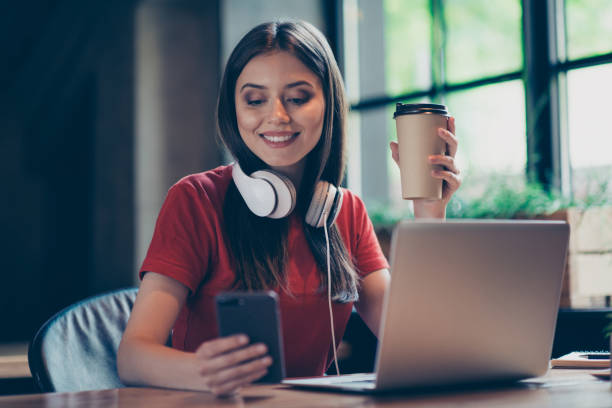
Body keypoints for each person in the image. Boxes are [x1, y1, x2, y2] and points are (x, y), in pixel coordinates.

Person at [117, 20, 461, 396]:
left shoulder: (343, 211)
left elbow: (416, 341)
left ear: (329, 105)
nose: (277, 116)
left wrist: (430, 216)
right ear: (234, 109)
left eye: (297, 98)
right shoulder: (196, 199)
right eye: (254, 100)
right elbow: (133, 356)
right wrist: (202, 372)